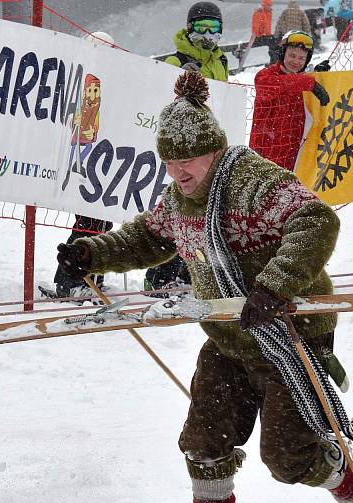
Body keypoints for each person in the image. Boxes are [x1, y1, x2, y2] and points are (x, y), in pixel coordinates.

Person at [55, 71, 353, 503]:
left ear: (212, 150)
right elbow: (146, 239)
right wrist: (90, 252)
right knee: (204, 439)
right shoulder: (180, 199)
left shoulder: (253, 182)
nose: (177, 172)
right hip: (231, 339)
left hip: (289, 338)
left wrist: (273, 285)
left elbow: (317, 221)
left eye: (186, 161)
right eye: (169, 163)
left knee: (290, 458)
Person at [153, 1, 231, 293]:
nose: (208, 34)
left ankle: (189, 273)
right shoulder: (175, 60)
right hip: (182, 149)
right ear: (190, 28)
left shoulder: (221, 62)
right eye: (202, 27)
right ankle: (160, 275)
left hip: (208, 149)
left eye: (214, 28)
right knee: (177, 209)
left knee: (204, 213)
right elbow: (160, 101)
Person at [52, 31, 115, 299]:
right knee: (88, 222)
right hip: (81, 154)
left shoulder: (109, 79)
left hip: (100, 156)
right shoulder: (78, 76)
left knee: (101, 222)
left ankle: (92, 275)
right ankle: (69, 281)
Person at [249, 30, 330, 172]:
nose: (296, 62)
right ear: (282, 54)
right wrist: (310, 83)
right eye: (292, 55)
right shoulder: (265, 76)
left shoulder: (301, 80)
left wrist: (318, 76)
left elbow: (296, 82)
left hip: (295, 156)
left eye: (301, 58)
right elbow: (279, 84)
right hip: (265, 159)